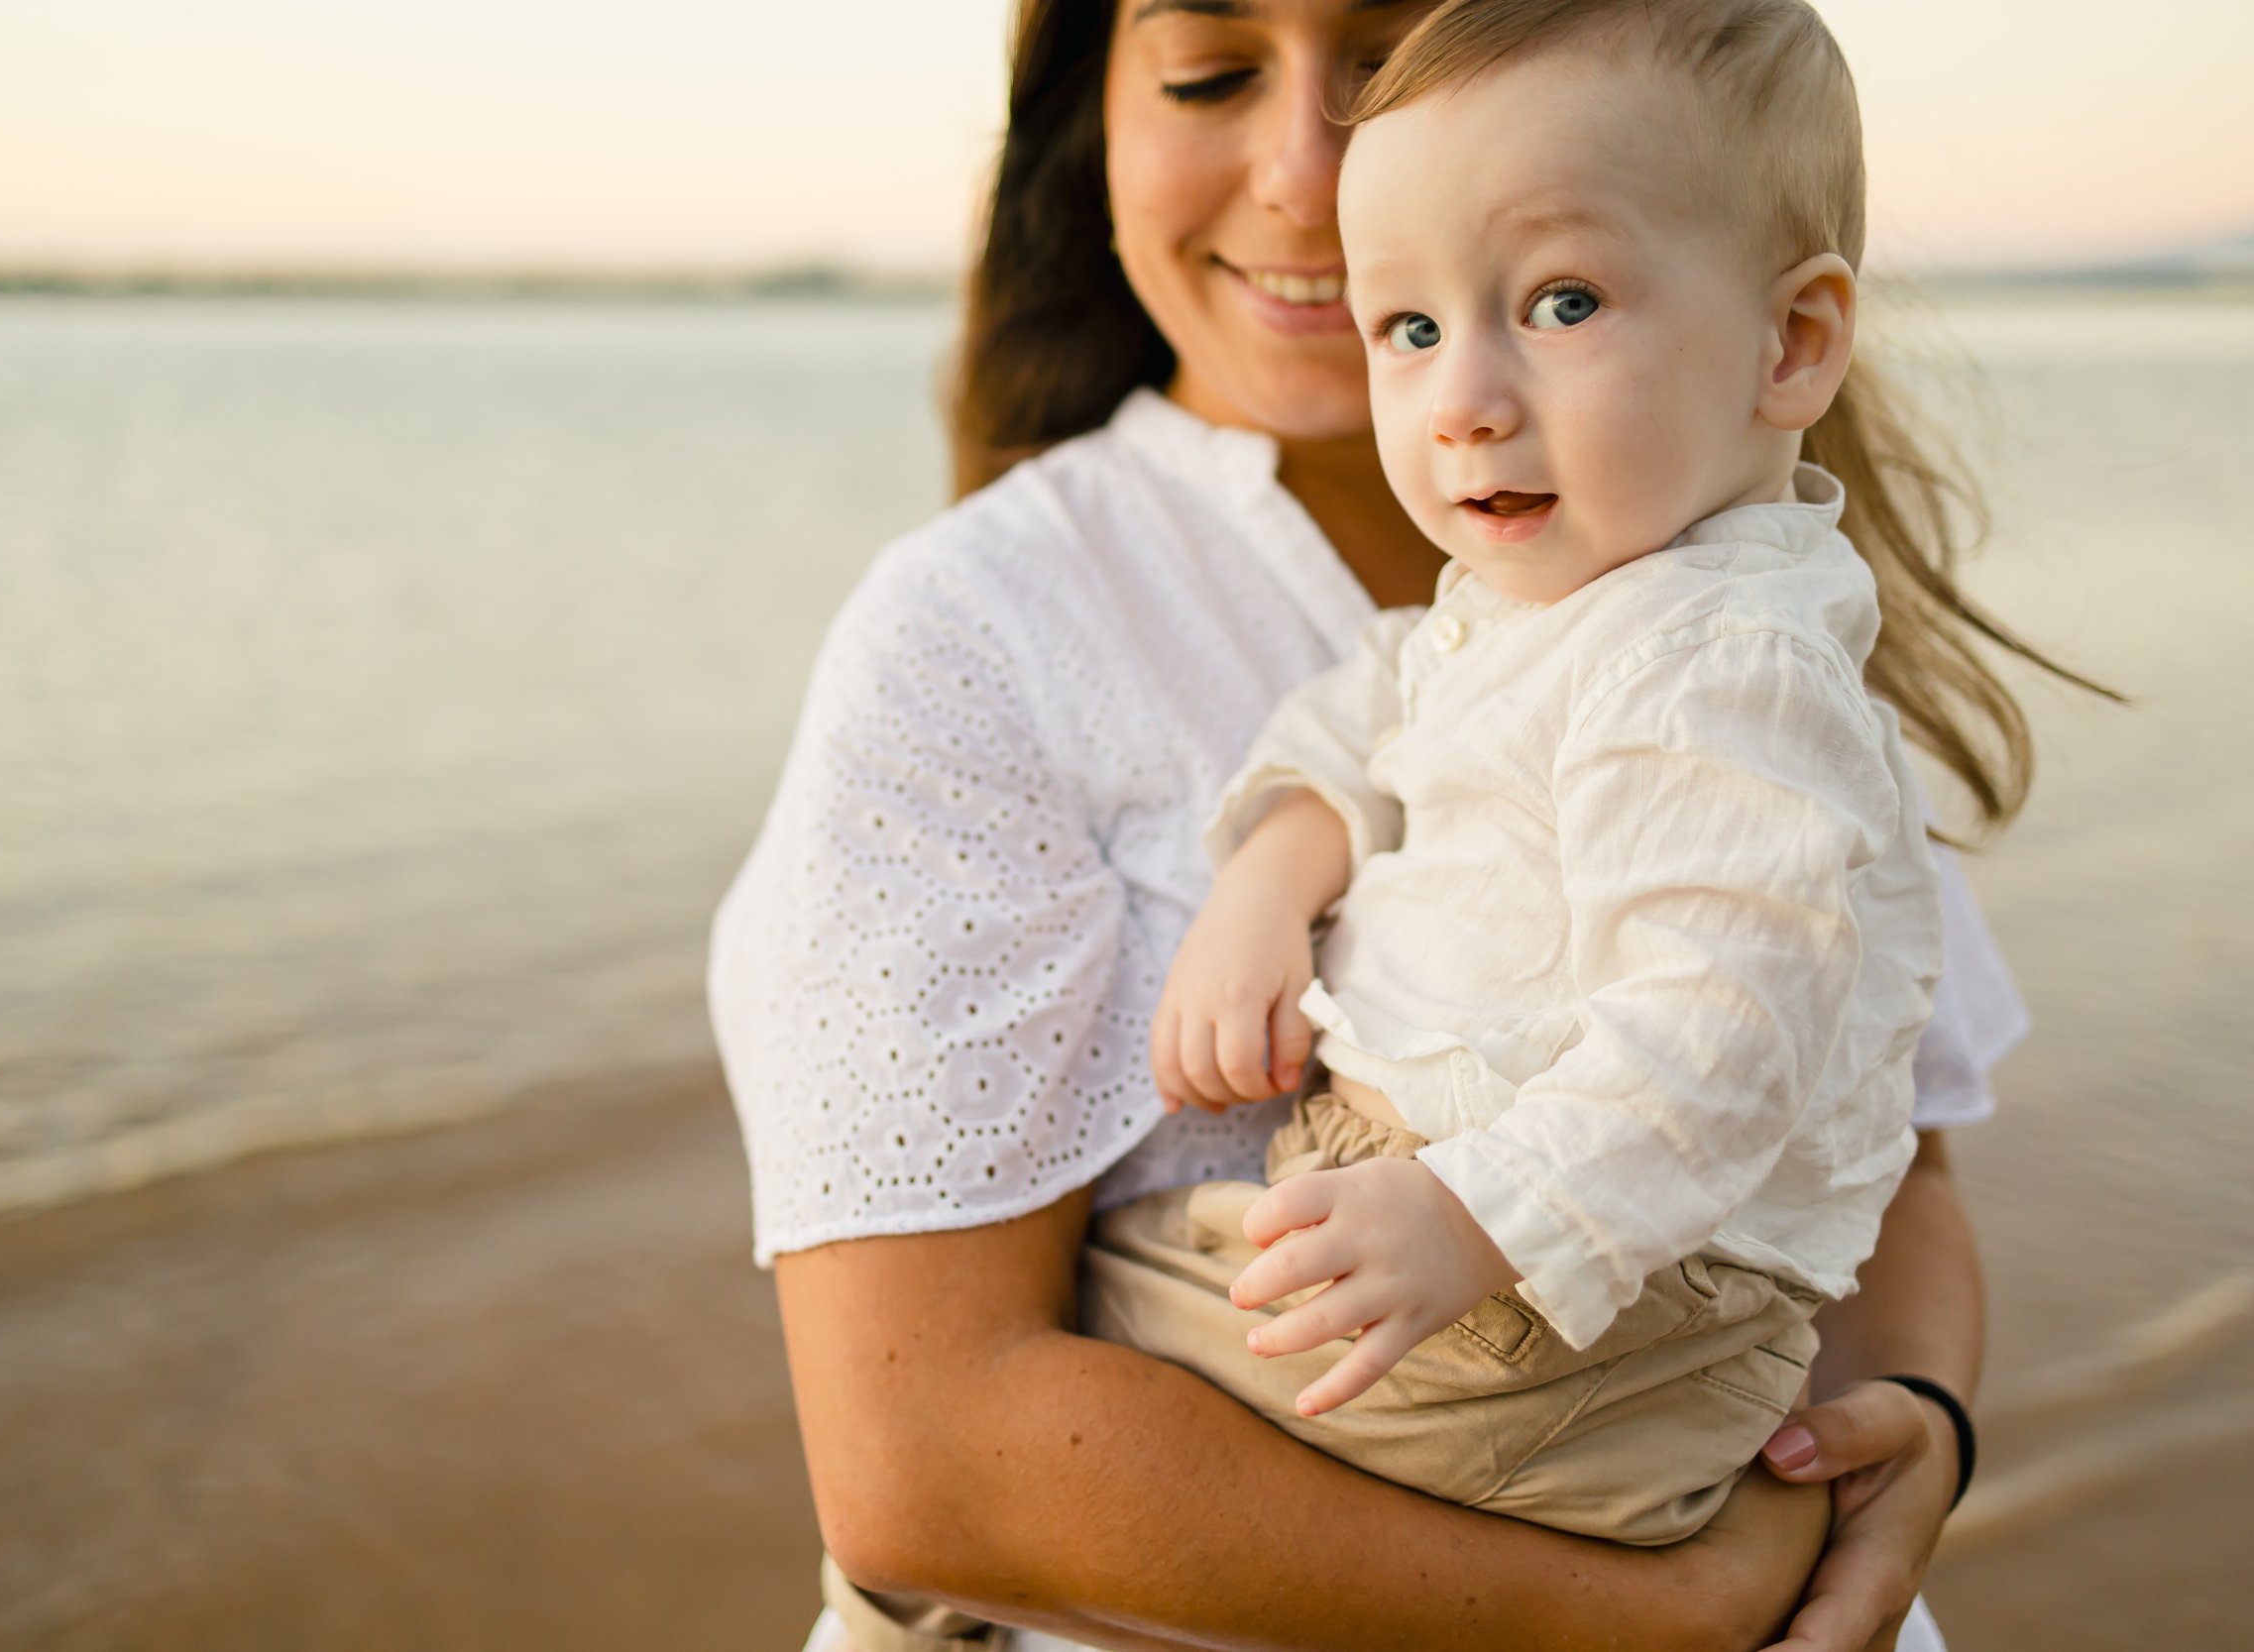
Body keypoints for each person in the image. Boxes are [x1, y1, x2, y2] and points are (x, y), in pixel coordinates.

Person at [709, 1, 2093, 1646]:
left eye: (1384, 59)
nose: (1312, 167)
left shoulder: (1733, 627)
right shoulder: (987, 628)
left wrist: (1910, 1437)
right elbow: (924, 1462)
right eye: (1213, 70)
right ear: (1092, 126)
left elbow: (1889, 1160)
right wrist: (1677, 1614)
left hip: (1644, 1434)